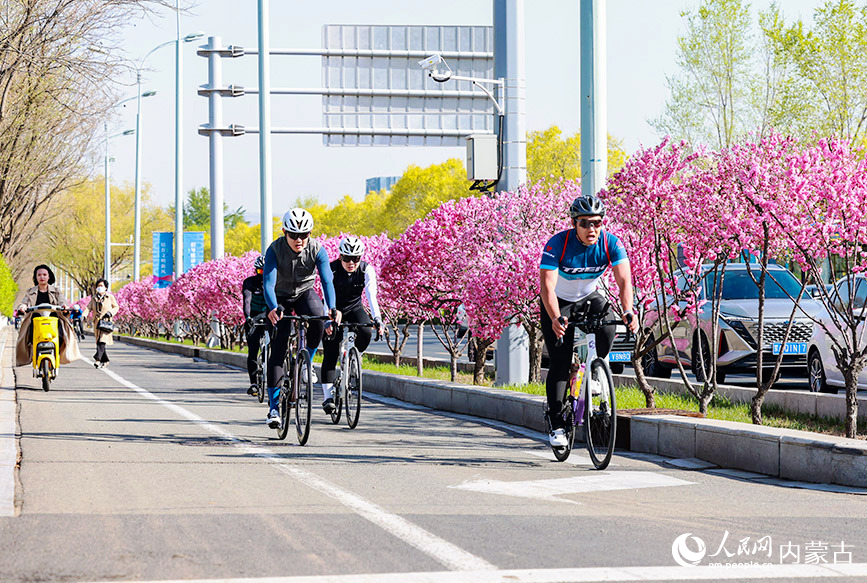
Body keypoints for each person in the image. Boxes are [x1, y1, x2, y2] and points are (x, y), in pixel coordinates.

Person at [539, 194, 638, 448]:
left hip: (589, 297)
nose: (591, 229)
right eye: (584, 223)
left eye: (596, 222)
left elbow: (624, 280)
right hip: (558, 303)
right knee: (559, 362)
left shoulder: (610, 243)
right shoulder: (557, 244)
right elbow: (547, 287)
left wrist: (629, 311)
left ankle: (593, 371)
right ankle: (557, 424)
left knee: (608, 325)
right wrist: (554, 316)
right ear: (574, 224)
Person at [262, 208, 341, 428]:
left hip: (305, 292)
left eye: (304, 235)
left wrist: (332, 308)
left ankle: (307, 361)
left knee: (318, 318)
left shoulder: (317, 250)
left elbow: (326, 283)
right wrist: (272, 307)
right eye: (294, 235)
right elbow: (267, 284)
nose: (299, 240)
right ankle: (274, 408)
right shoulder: (274, 250)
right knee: (279, 344)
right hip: (279, 296)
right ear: (285, 232)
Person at [320, 236, 385, 413]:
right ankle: (327, 397)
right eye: (347, 258)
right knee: (331, 351)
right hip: (334, 308)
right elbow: (326, 294)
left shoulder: (366, 269)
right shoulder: (331, 269)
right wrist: (328, 317)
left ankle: (352, 358)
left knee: (366, 332)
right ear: (340, 256)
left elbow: (372, 296)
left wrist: (377, 319)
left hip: (354, 308)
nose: (351, 263)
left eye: (356, 258)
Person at [14, 264, 80, 367]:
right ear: (36, 277)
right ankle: (33, 355)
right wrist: (22, 307)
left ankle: (56, 354)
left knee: (61, 336)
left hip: (54, 321)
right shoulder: (30, 292)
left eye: (44, 274)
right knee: (27, 338)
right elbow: (24, 302)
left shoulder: (56, 291)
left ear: (49, 276)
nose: (42, 277)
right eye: (39, 275)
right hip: (35, 322)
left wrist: (64, 306)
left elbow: (62, 301)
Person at [242, 255, 268, 396]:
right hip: (254, 317)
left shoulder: (275, 281)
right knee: (253, 350)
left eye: (266, 271)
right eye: (260, 271)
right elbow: (247, 301)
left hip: (270, 315)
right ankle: (253, 383)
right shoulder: (250, 283)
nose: (263, 275)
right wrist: (248, 317)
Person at [86, 278, 119, 368]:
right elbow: (88, 308)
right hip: (97, 323)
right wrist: (84, 315)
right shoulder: (94, 298)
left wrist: (110, 313)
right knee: (99, 342)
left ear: (106, 288)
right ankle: (105, 360)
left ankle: (97, 359)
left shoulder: (110, 297)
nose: (100, 288)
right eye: (98, 286)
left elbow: (116, 307)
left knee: (102, 340)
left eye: (101, 286)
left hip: (106, 323)